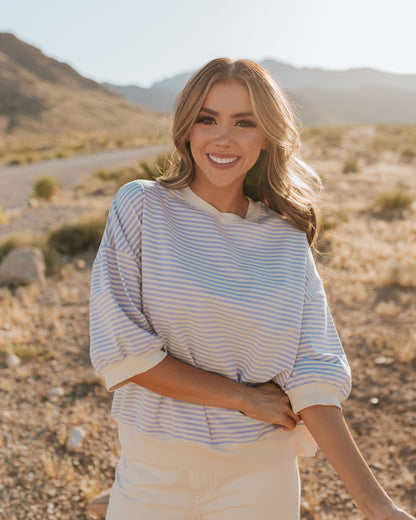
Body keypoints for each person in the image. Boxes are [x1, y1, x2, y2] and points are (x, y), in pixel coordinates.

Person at [89, 58, 414, 520]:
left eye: (245, 123)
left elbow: (312, 373)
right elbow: (123, 350)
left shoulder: (284, 236)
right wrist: (240, 397)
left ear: (266, 137)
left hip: (261, 478)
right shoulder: (142, 206)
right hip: (153, 471)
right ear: (187, 129)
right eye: (208, 119)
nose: (223, 138)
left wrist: (375, 504)